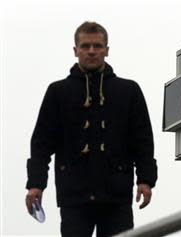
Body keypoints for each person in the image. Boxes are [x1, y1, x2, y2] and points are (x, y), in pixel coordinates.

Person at [25, 21, 157, 237]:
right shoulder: (58, 92)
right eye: (85, 46)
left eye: (97, 46)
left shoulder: (128, 90)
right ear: (75, 50)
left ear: (107, 50)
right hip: (74, 195)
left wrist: (146, 180)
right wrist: (35, 184)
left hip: (116, 194)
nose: (92, 51)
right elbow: (41, 143)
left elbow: (142, 140)